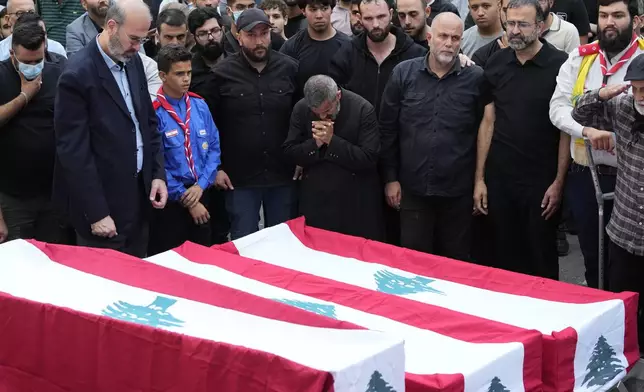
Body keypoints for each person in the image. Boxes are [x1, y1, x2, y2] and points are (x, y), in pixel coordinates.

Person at [54, 0, 168, 257]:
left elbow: (148, 124)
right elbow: (74, 152)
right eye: (134, 39)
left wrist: (157, 174)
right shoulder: (77, 75)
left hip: (140, 201)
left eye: (143, 40)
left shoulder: (133, 60)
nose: (138, 47)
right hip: (103, 213)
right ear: (112, 26)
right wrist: (96, 212)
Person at [549, 0, 644, 288]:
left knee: (629, 267)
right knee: (594, 258)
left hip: (632, 180)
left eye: (617, 15)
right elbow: (558, 108)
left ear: (637, 21)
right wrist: (585, 130)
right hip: (586, 174)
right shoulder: (580, 58)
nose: (608, 22)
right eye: (603, 16)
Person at [474, 0, 569, 278]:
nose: (513, 31)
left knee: (541, 257)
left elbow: (565, 129)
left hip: (541, 182)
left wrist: (559, 183)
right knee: (503, 257)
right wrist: (479, 179)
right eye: (510, 23)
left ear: (540, 27)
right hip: (500, 179)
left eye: (522, 24)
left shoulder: (560, 65)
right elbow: (487, 121)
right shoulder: (495, 63)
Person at [379, 12, 484, 259]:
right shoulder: (403, 74)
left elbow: (485, 130)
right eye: (443, 36)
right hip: (413, 189)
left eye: (455, 38)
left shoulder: (476, 78)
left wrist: (480, 181)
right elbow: (387, 128)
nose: (449, 43)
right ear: (429, 38)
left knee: (456, 262)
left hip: (457, 192)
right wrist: (390, 178)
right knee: (414, 263)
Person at [571, 56, 644, 348]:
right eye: (636, 89)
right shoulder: (624, 107)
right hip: (625, 234)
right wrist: (603, 93)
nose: (641, 97)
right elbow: (579, 114)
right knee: (622, 310)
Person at [208, 8, 299, 239]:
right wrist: (216, 168)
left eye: (264, 34)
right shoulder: (221, 74)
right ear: (238, 36)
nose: (259, 41)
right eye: (251, 35)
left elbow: (300, 118)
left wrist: (302, 157)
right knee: (244, 242)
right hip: (239, 179)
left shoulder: (290, 68)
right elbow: (210, 127)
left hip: (283, 173)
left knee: (284, 241)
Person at [283, 75, 382, 240]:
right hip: (316, 200)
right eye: (317, 113)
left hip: (354, 200)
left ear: (337, 96)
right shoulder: (301, 109)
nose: (323, 117)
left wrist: (332, 142)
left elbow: (369, 157)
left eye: (327, 111)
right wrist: (315, 144)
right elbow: (290, 152)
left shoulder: (363, 109)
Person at [0, 18, 68, 243]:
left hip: (53, 195)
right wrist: (25, 95)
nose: (34, 66)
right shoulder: (1, 77)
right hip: (13, 198)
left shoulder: (59, 72)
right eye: (26, 61)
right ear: (12, 54)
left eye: (38, 60)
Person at [148, 45, 221, 255]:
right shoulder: (155, 113)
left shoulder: (199, 105)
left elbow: (214, 148)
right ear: (163, 75)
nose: (186, 79)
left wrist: (201, 186)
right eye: (179, 74)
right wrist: (185, 197)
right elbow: (155, 161)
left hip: (201, 193)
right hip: (171, 202)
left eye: (189, 73)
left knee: (203, 259)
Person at [187, 7, 230, 244]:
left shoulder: (238, 62)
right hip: (203, 166)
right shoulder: (188, 73)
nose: (211, 37)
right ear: (194, 37)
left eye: (215, 30)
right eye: (203, 33)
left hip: (239, 159)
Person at [280, 0, 351, 91]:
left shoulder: (348, 46)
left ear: (332, 10)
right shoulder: (291, 47)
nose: (319, 15)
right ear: (303, 11)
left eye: (324, 9)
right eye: (313, 9)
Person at [0, 0, 66, 60]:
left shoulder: (56, 49)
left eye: (31, 12)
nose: (27, 17)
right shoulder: (1, 51)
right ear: (8, 19)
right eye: (20, 13)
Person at [471, 0, 508, 66]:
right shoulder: (461, 39)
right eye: (474, 7)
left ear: (499, 5)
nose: (480, 13)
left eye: (486, 6)